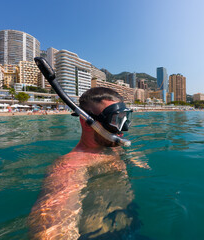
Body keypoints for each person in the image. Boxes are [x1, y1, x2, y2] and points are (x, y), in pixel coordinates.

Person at [28, 87, 135, 239]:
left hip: (127, 224)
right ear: (86, 123)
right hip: (101, 233)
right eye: (115, 119)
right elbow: (51, 232)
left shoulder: (113, 147)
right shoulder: (69, 169)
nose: (123, 129)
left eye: (125, 118)